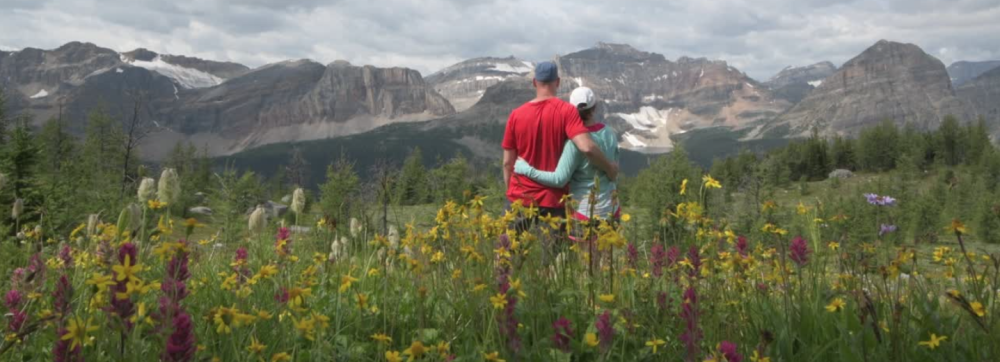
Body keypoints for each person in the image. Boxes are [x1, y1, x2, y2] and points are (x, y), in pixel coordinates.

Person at [502, 61, 618, 226]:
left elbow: (508, 163)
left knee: (507, 248)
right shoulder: (567, 111)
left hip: (520, 195)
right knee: (553, 251)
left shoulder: (516, 115)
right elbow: (586, 147)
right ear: (557, 82)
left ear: (535, 82)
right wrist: (609, 168)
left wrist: (511, 191)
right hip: (553, 200)